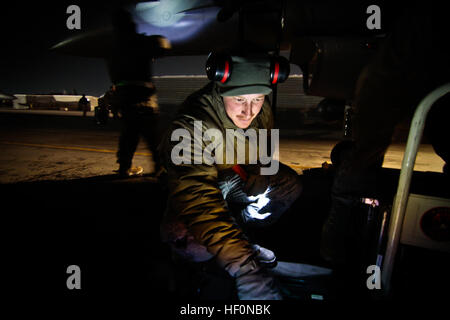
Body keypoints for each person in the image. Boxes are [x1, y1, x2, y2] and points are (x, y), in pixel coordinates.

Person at [320, 3, 450, 286]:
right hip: (410, 54)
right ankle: (339, 236)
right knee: (364, 153)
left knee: (365, 152)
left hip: (409, 60)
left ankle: (339, 238)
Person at [159, 55, 302, 300]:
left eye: (257, 99)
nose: (249, 111)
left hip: (235, 178)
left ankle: (241, 235)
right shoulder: (189, 126)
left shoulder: (262, 109)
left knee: (287, 186)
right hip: (203, 187)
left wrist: (262, 173)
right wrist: (245, 267)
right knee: (194, 243)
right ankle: (227, 254)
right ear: (220, 88)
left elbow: (266, 144)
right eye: (240, 100)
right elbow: (198, 200)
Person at [106, 8, 169, 177]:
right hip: (144, 96)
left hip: (125, 97)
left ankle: (124, 167)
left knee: (128, 134)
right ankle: (159, 167)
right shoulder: (139, 41)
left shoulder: (113, 48)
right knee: (152, 135)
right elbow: (163, 45)